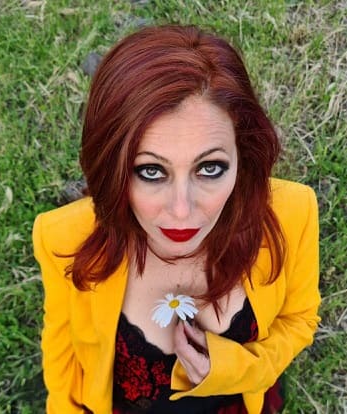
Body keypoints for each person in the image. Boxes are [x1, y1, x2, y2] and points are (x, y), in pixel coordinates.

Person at [32, 24, 321, 414]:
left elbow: (299, 320)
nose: (182, 211)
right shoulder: (63, 239)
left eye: (210, 168)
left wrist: (234, 369)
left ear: (243, 154)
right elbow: (64, 358)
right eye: (151, 171)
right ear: (112, 167)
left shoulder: (292, 214)